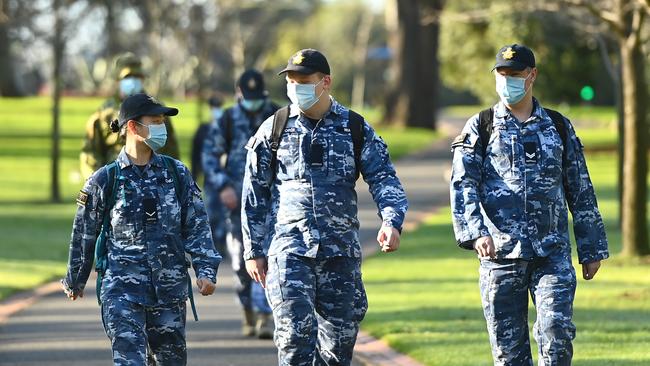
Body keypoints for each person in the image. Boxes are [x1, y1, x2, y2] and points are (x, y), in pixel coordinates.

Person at [241, 49, 408, 365]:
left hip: (339, 254)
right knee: (293, 342)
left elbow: (384, 179)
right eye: (291, 81)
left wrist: (391, 221)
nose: (295, 87)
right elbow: (254, 193)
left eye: (304, 81)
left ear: (325, 82)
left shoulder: (355, 128)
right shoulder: (273, 128)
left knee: (338, 349)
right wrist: (254, 250)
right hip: (288, 252)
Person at [450, 44, 609, 365]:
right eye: (502, 75)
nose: (507, 81)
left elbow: (580, 189)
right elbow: (462, 184)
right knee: (509, 352)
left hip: (551, 253)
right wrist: (475, 232)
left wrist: (591, 249)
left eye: (516, 75)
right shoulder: (481, 127)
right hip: (500, 256)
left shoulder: (558, 126)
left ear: (532, 76)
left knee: (556, 331)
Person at [61, 93, 221, 365]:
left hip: (169, 294)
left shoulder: (176, 173)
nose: (162, 127)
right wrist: (76, 278)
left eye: (163, 121)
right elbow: (84, 232)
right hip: (122, 293)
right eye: (156, 121)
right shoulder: (106, 179)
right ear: (133, 127)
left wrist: (206, 270)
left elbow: (196, 225)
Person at [202, 69, 279, 338]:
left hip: (272, 202)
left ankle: (265, 316)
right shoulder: (227, 120)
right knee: (242, 259)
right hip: (238, 203)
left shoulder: (277, 115)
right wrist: (223, 186)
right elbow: (210, 156)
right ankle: (247, 310)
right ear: (238, 93)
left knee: (271, 258)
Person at [79, 52, 180, 179]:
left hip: (156, 179)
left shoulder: (158, 110)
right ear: (117, 80)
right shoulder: (104, 114)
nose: (133, 80)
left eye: (137, 76)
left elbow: (171, 150)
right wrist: (101, 183)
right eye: (128, 76)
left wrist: (173, 178)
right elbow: (90, 154)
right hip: (117, 182)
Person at [192, 95, 228, 259]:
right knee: (211, 212)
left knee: (225, 213)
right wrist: (194, 176)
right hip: (209, 179)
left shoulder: (227, 126)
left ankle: (222, 242)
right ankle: (212, 243)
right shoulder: (204, 129)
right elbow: (196, 154)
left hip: (227, 179)